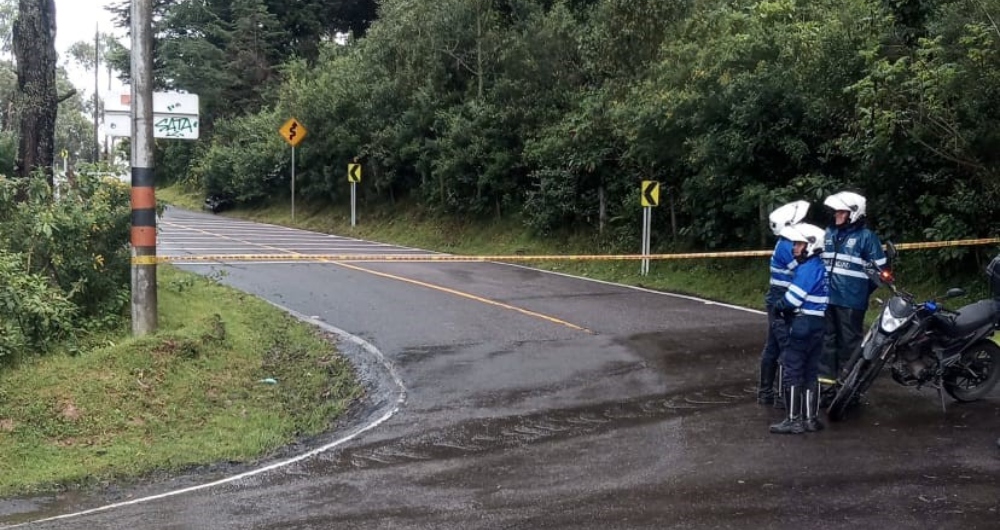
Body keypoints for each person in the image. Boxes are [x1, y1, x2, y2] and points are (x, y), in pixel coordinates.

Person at [820, 191, 886, 390]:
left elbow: (880, 273)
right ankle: (826, 384)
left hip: (851, 301)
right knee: (826, 340)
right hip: (827, 298)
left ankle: (848, 386)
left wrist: (860, 292)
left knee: (849, 344)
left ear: (854, 213)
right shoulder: (828, 234)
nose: (836, 215)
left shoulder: (867, 238)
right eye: (836, 212)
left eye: (841, 212)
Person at [769, 223, 829, 434]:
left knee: (793, 368)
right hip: (818, 323)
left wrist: (778, 308)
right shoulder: (821, 267)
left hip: (802, 323)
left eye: (799, 244)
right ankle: (811, 419)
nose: (794, 248)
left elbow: (793, 299)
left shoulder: (807, 269)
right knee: (812, 372)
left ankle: (793, 420)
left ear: (810, 246)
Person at [757, 200, 810, 406]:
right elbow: (803, 270)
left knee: (773, 346)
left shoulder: (784, 242)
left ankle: (766, 391)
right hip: (783, 303)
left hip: (777, 300)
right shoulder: (788, 246)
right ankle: (786, 395)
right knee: (788, 347)